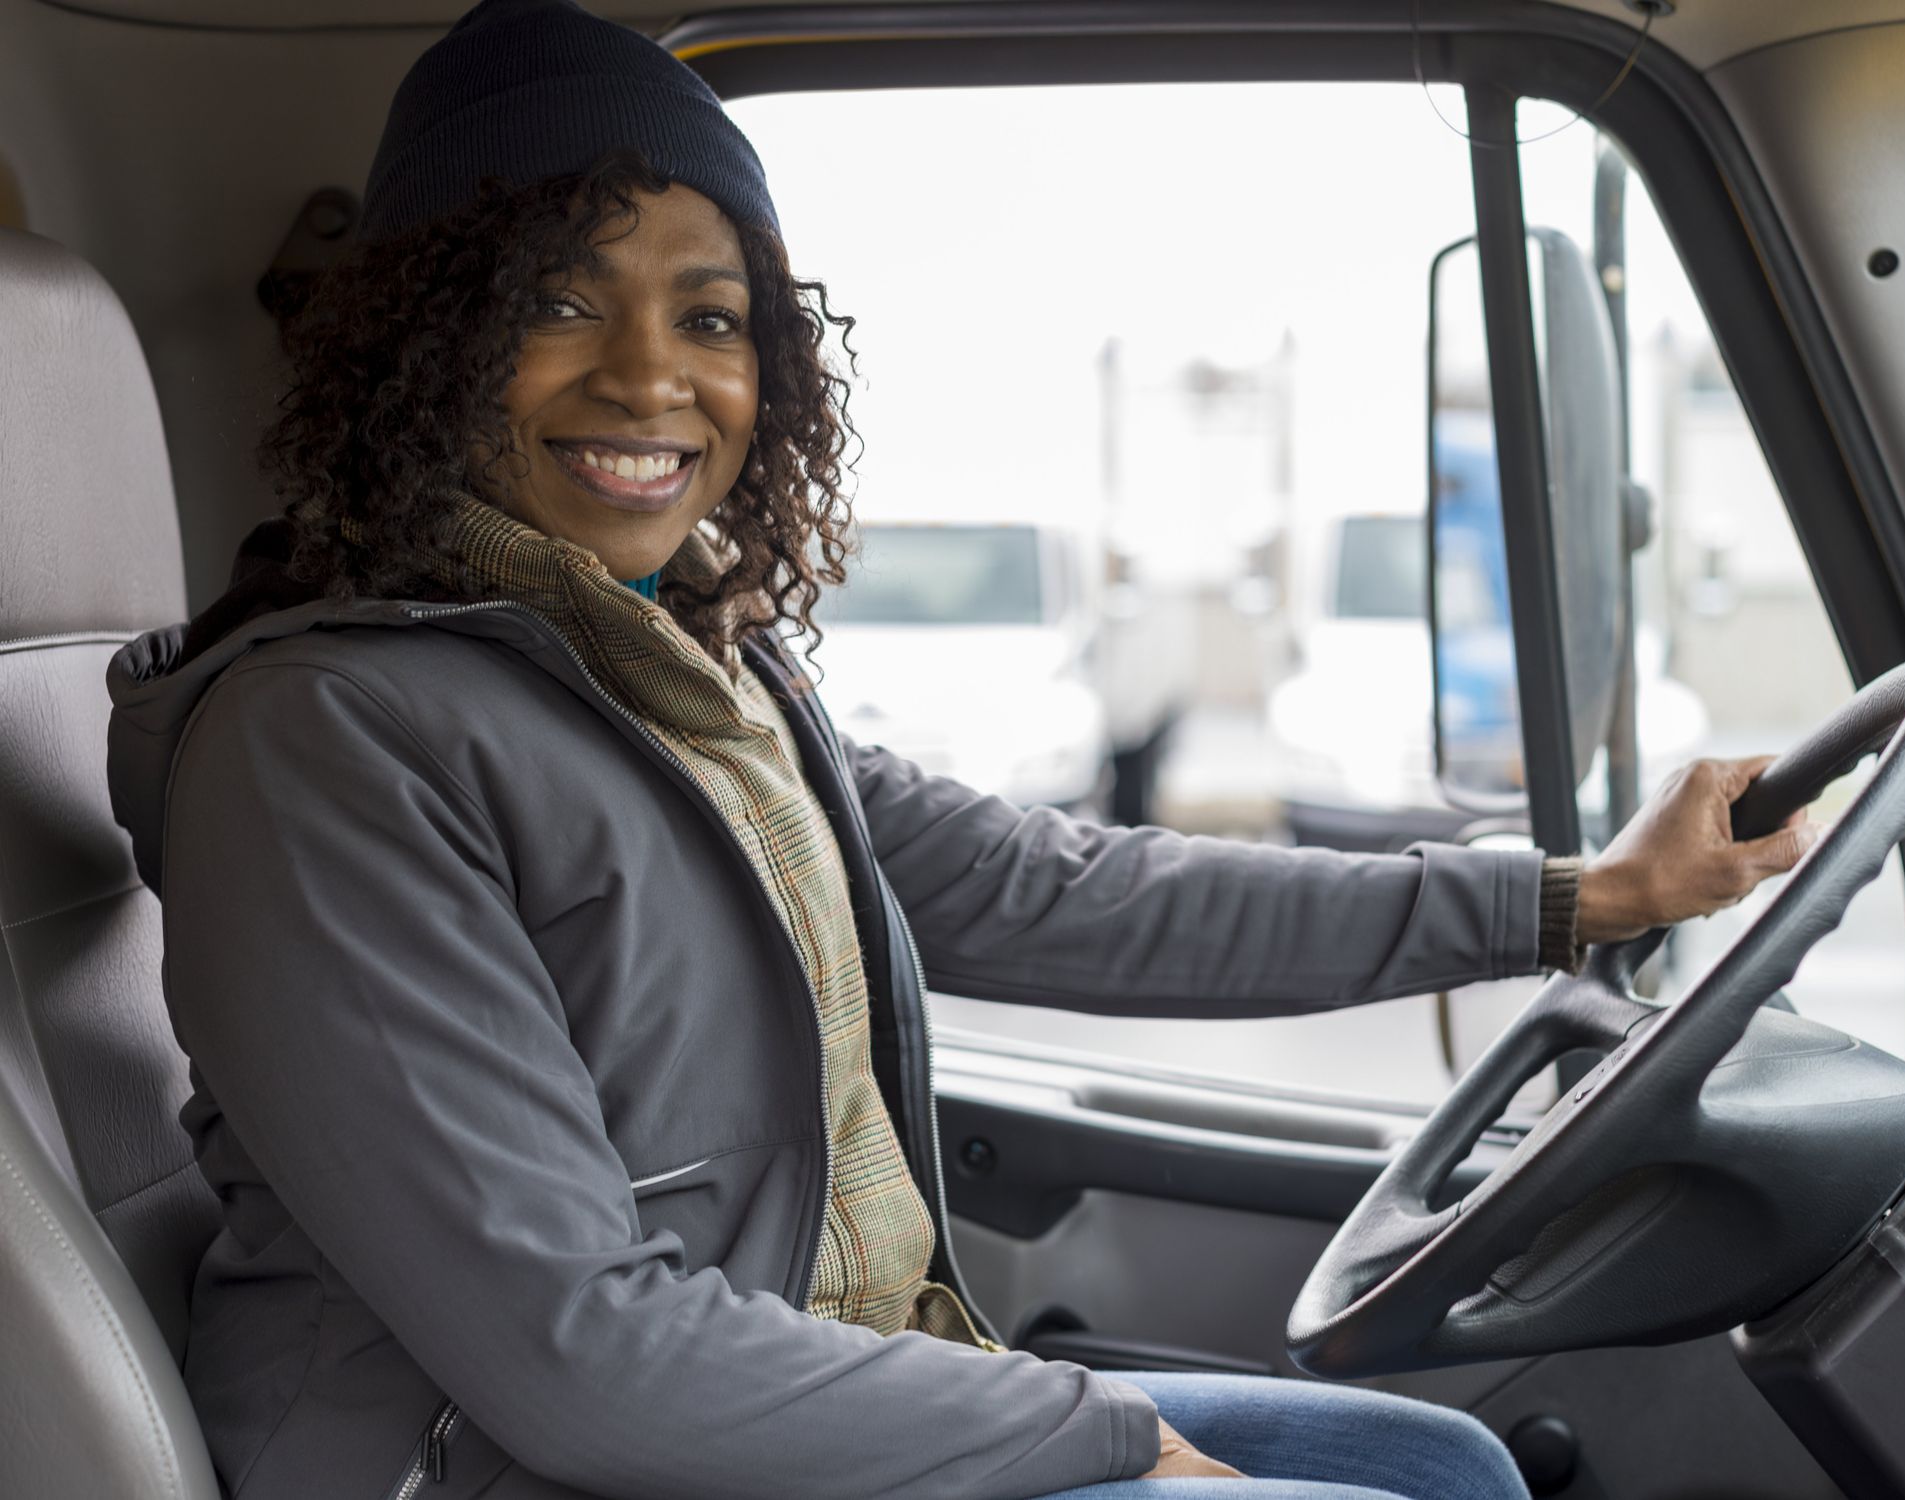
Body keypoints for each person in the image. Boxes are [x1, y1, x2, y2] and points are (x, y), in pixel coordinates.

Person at [104, 3, 1817, 1496]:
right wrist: (1090, 1429)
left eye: (712, 317)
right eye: (556, 302)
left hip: (782, 1405)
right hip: (531, 1468)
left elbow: (1066, 892)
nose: (651, 377)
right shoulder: (319, 743)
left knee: (1432, 1458)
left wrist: (1568, 900)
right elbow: (580, 1360)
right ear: (426, 341)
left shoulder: (689, 678)